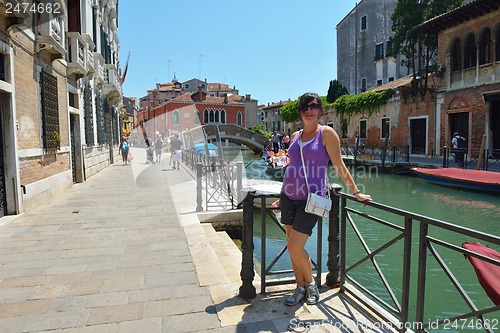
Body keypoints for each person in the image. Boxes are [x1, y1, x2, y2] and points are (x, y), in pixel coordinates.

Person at [275, 92, 371, 306]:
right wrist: (281, 198)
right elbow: (292, 166)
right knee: (292, 247)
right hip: (288, 195)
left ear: (320, 110)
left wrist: (356, 192)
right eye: (305, 107)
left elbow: (339, 166)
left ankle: (311, 285)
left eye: (314, 106)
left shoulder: (326, 134)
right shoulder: (296, 135)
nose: (310, 110)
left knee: (295, 247)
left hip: (312, 199)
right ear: (300, 111)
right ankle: (299, 288)